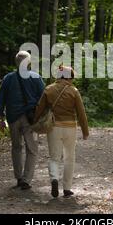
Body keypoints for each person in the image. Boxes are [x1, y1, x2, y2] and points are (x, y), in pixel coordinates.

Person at [33, 66, 89, 198]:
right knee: (69, 157)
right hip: (70, 127)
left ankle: (54, 178)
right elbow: (81, 113)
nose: (72, 81)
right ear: (68, 77)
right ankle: (67, 188)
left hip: (54, 127)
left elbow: (39, 108)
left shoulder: (49, 89)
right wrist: (85, 131)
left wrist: (34, 123)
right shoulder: (73, 91)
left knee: (54, 157)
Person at [0, 51, 45, 190]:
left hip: (12, 119)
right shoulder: (35, 77)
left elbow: (1, 100)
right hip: (30, 119)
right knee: (32, 149)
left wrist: (0, 118)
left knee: (16, 148)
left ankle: (18, 178)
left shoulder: (8, 78)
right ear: (28, 62)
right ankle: (26, 180)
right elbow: (43, 98)